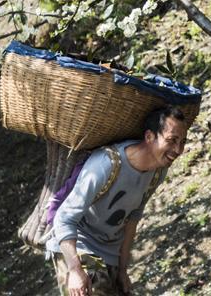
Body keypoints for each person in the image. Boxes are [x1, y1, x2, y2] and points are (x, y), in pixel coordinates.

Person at [47, 105, 188, 296]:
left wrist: (122, 270)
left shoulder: (158, 171)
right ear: (149, 137)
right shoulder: (106, 164)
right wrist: (74, 269)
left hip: (110, 252)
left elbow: (132, 217)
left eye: (182, 142)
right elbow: (64, 218)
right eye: (172, 140)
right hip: (78, 244)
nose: (178, 149)